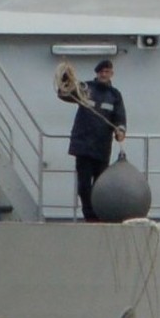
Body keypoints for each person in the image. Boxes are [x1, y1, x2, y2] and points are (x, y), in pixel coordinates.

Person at [67, 58, 125, 222]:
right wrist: (65, 79)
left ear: (111, 74)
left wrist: (120, 130)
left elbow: (120, 117)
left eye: (107, 72)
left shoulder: (115, 95)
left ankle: (99, 213)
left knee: (100, 185)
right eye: (101, 72)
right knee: (84, 185)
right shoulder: (85, 88)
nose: (104, 74)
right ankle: (89, 215)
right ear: (97, 73)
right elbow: (66, 93)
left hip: (101, 147)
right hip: (83, 145)